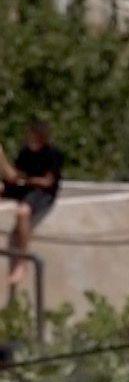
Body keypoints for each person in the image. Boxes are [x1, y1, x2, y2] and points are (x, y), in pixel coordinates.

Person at [3, 120, 64, 286]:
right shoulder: (25, 152)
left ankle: (21, 263)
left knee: (23, 212)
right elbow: (16, 174)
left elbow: (47, 182)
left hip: (42, 193)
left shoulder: (53, 154)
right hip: (26, 186)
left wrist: (26, 180)